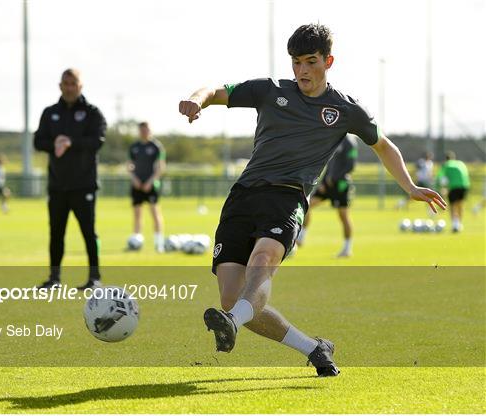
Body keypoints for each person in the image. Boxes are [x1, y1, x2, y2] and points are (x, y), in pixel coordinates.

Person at [178, 24, 446, 377]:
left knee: (262, 261)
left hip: (287, 199)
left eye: (310, 62)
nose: (302, 70)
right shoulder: (269, 91)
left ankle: (231, 321)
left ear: (328, 61)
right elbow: (216, 90)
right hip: (242, 197)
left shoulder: (346, 110)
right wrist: (198, 100)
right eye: (296, 62)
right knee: (232, 296)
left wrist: (410, 187)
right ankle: (312, 347)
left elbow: (384, 145)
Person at [34, 68, 107, 290]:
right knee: (56, 232)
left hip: (84, 184)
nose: (69, 87)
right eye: (65, 83)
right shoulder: (50, 113)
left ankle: (94, 278)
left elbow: (98, 141)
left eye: (73, 83)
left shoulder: (92, 112)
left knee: (88, 232)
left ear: (80, 85)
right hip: (57, 185)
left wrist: (71, 142)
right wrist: (55, 143)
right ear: (60, 85)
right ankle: (54, 278)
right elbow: (38, 142)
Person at [297, 135, 357, 257]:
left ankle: (347, 249)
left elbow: (351, 165)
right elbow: (329, 165)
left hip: (341, 184)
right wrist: (324, 181)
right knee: (306, 205)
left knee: (343, 216)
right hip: (327, 184)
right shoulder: (334, 139)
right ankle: (301, 237)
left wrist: (335, 178)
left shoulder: (350, 142)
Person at [127, 122, 166, 252]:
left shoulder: (156, 147)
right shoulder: (134, 147)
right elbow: (129, 166)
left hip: (151, 185)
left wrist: (150, 181)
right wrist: (134, 179)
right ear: (139, 131)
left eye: (147, 130)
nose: (144, 132)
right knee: (137, 214)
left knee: (155, 213)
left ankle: (159, 244)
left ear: (150, 130)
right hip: (137, 184)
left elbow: (161, 167)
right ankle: (136, 242)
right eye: (142, 130)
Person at [435, 151, 470, 232]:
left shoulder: (446, 165)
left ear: (446, 159)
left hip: (453, 187)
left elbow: (440, 178)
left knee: (452, 206)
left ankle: (455, 225)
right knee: (460, 204)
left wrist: (442, 188)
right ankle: (460, 224)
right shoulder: (460, 163)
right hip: (464, 186)